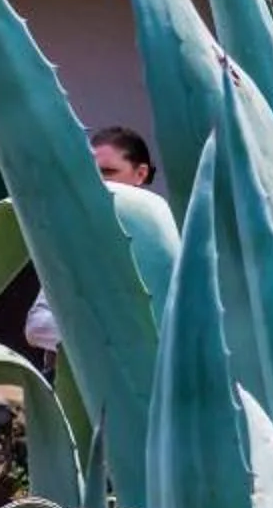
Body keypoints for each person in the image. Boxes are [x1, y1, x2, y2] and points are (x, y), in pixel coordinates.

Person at [25, 126, 170, 358]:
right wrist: (109, 339)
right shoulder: (79, 241)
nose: (97, 182)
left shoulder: (167, 237)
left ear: (140, 174)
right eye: (91, 173)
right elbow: (38, 325)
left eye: (109, 172)